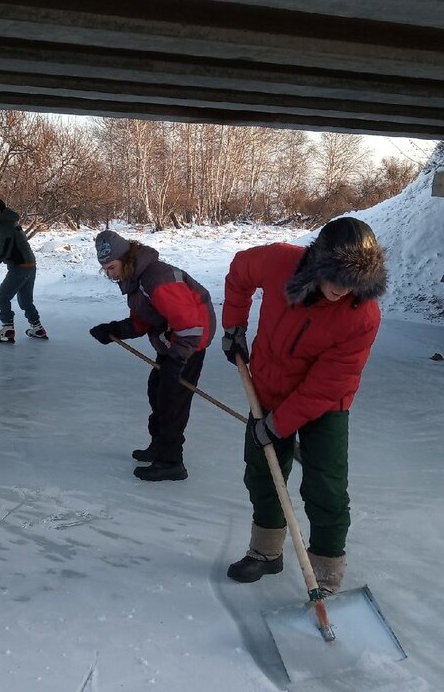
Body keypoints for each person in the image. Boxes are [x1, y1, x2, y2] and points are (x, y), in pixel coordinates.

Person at [222, 216, 387, 595]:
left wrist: (279, 426)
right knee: (262, 472)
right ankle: (266, 553)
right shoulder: (278, 261)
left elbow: (328, 383)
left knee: (325, 486)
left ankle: (325, 578)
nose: (344, 290)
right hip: (266, 384)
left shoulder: (362, 315)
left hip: (326, 404)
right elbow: (238, 274)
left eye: (355, 283)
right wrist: (234, 326)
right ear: (317, 263)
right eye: (337, 278)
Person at [90, 230, 216, 481]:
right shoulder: (136, 279)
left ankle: (171, 461)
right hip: (173, 344)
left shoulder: (156, 278)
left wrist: (176, 359)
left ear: (125, 258)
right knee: (156, 389)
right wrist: (115, 330)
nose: (110, 274)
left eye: (112, 267)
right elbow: (145, 319)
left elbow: (189, 324)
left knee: (172, 399)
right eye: (105, 270)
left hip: (189, 344)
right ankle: (160, 446)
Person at [0, 198, 48, 343]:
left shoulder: (5, 227)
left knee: (2, 297)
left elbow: (3, 252)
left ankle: (7, 329)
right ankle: (38, 328)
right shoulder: (9, 223)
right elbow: (8, 245)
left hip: (20, 267)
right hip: (29, 265)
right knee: (25, 301)